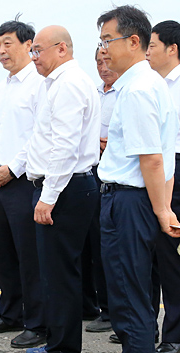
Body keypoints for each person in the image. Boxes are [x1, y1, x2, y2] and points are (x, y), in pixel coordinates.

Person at [89, 6, 179, 353]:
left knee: (130, 296)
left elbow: (152, 160)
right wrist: (161, 207)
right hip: (131, 199)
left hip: (129, 201)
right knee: (132, 293)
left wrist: (161, 211)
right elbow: (165, 157)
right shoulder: (145, 84)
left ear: (134, 41)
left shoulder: (139, 89)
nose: (103, 49)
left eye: (108, 40)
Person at [19, 26, 100, 353]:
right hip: (62, 187)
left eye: (38, 50)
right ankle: (57, 344)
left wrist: (48, 197)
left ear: (62, 49)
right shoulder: (58, 83)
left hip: (64, 190)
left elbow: (65, 147)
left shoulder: (69, 84)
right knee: (55, 274)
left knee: (61, 276)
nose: (34, 57)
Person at [0, 19, 47, 349]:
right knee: (2, 253)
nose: (1, 50)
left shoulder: (39, 83)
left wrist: (13, 168)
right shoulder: (3, 86)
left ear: (28, 44)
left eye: (7, 43)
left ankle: (37, 322)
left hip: (23, 182)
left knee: (29, 256)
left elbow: (39, 134)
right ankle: (10, 314)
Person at [146, 20, 180, 353]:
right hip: (155, 168)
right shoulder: (149, 83)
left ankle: (174, 332)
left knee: (170, 253)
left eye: (152, 45)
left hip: (175, 168)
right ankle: (147, 329)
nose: (147, 52)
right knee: (152, 251)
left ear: (172, 49)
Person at [83, 48, 119, 334]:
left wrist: (109, 144)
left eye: (107, 61)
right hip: (89, 170)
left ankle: (109, 311)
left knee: (104, 243)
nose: (103, 67)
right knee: (86, 242)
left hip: (114, 171)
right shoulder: (92, 94)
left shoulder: (126, 92)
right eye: (98, 62)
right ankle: (88, 304)